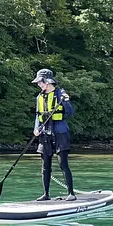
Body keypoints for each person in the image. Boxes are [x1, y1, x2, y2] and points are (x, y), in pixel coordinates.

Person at [31, 68, 76, 201]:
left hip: (60, 132)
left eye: (40, 82)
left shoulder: (60, 94)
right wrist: (36, 129)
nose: (39, 85)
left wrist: (66, 101)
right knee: (45, 166)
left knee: (63, 164)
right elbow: (38, 115)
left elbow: (70, 113)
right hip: (45, 133)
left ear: (48, 81)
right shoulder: (39, 97)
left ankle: (71, 193)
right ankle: (46, 194)